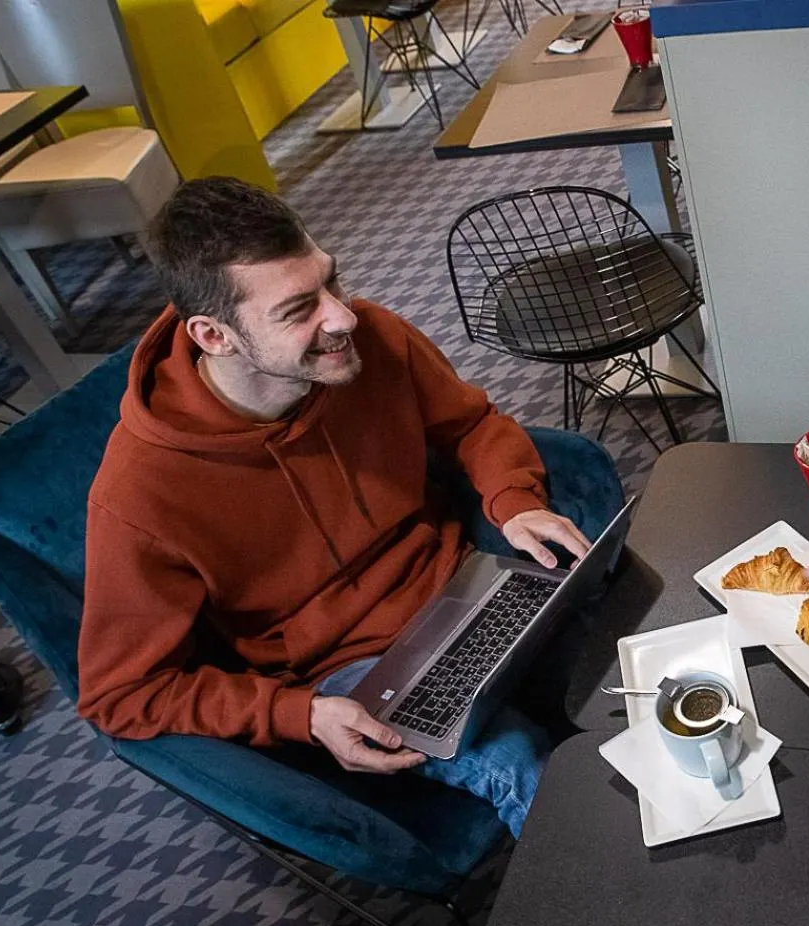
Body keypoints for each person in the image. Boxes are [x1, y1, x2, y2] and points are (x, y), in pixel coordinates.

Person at [78, 177, 601, 837]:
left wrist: (513, 500)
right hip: (351, 668)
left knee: (628, 666)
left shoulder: (370, 339)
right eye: (299, 309)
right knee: (523, 766)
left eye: (332, 280)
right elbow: (120, 695)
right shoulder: (138, 493)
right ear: (214, 335)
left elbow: (471, 425)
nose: (343, 317)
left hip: (465, 587)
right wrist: (299, 715)